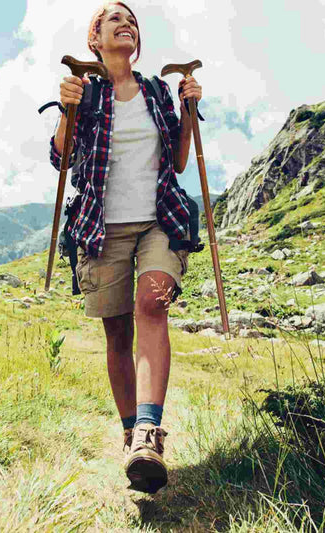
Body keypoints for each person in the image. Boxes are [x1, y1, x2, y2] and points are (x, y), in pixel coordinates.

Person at [49, 1, 202, 493]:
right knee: (117, 334)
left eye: (132, 20)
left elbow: (178, 162)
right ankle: (129, 435)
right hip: (100, 228)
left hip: (159, 220)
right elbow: (62, 157)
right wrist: (67, 110)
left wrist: (189, 109)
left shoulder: (156, 91)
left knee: (150, 304)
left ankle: (150, 434)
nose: (126, 24)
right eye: (114, 19)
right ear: (94, 40)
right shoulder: (86, 94)